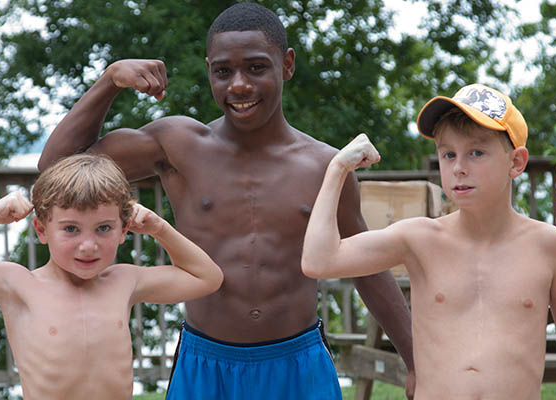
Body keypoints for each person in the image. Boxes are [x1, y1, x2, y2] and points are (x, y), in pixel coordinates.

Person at [38, 2, 416, 398]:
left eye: (256, 67)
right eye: (223, 71)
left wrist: (415, 361)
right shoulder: (179, 145)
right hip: (205, 361)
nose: (238, 85)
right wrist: (110, 80)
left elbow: (367, 268)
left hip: (297, 363)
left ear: (286, 65)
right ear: (209, 71)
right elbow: (56, 167)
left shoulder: (325, 165)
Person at [302, 84, 556, 399]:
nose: (459, 167)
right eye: (448, 154)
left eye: (476, 152)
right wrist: (338, 169)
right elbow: (318, 261)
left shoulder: (547, 244)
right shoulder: (418, 239)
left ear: (516, 163)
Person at [0, 154, 223, 400]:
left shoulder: (125, 281)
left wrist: (159, 228)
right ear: (41, 229)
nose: (88, 245)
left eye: (104, 228)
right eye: (71, 229)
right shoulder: (17, 285)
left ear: (124, 231)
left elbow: (207, 278)